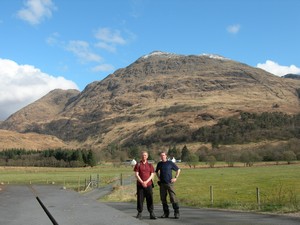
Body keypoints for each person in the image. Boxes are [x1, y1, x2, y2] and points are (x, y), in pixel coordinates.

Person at [155, 151, 181, 219]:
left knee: (173, 198)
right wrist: (159, 178)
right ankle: (166, 213)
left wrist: (175, 178)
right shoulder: (159, 164)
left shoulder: (170, 163)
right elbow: (156, 171)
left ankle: (176, 212)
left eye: (163, 155)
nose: (162, 156)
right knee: (163, 199)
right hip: (162, 184)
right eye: (161, 156)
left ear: (166, 156)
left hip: (170, 183)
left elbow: (178, 170)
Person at [133, 151, 157, 220]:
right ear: (141, 156)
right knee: (140, 199)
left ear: (147, 156)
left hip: (149, 185)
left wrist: (146, 182)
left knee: (150, 199)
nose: (144, 157)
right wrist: (142, 182)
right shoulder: (138, 164)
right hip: (140, 185)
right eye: (143, 155)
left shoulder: (150, 165)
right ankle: (139, 213)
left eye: (145, 155)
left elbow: (152, 174)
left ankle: (151, 213)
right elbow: (136, 174)